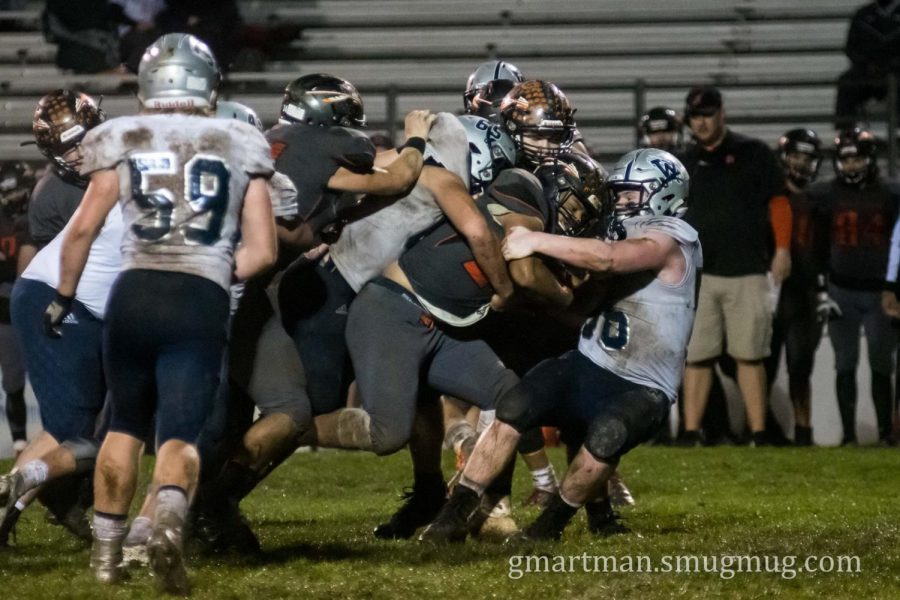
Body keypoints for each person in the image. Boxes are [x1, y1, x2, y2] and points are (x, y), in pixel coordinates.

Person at [43, 33, 277, 593]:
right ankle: (168, 525)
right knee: (179, 433)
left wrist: (64, 294)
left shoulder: (123, 135)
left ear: (149, 83)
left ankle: (104, 557)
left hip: (135, 289)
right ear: (208, 82)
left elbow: (81, 230)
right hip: (198, 292)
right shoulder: (240, 138)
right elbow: (264, 250)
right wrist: (220, 273)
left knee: (122, 425)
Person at [420, 148, 699, 543]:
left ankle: (548, 527)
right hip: (590, 362)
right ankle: (452, 517)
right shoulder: (619, 233)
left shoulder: (673, 236)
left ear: (664, 195)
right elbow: (582, 305)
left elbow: (607, 259)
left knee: (606, 434)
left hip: (643, 383)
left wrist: (535, 239)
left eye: (629, 195)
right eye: (617, 194)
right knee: (515, 404)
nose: (619, 204)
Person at [679, 85, 791, 446]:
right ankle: (690, 433)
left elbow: (778, 202)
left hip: (746, 269)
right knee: (696, 358)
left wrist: (782, 249)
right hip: (699, 273)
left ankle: (758, 432)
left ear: (722, 113)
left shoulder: (752, 152)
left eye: (708, 114)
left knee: (749, 356)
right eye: (696, 116)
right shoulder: (685, 160)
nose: (702, 122)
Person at [809, 128, 899, 445]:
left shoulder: (889, 193)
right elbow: (817, 245)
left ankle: (887, 433)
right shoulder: (825, 194)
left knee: (880, 362)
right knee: (844, 362)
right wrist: (822, 287)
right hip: (841, 288)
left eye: (858, 159)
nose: (852, 166)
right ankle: (849, 435)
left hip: (880, 292)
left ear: (871, 159)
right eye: (846, 160)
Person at [766, 129, 826, 445]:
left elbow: (827, 251)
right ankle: (765, 431)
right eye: (796, 157)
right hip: (772, 290)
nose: (801, 164)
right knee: (764, 367)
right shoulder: (770, 198)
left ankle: (804, 432)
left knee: (800, 367)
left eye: (807, 158)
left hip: (803, 294)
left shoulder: (819, 201)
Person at [29, 89, 107, 250]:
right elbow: (54, 265)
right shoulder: (49, 197)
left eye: (86, 138)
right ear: (52, 153)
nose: (80, 152)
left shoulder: (130, 165)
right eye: (68, 147)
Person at [0, 161, 36, 459]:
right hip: (8, 305)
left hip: (16, 308)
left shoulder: (36, 216)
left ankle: (21, 442)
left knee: (15, 379)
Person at [834, 0, 900, 130]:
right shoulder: (862, 15)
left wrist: (893, 66)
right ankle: (847, 133)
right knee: (847, 82)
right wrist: (866, 65)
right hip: (868, 73)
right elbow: (851, 48)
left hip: (898, 73)